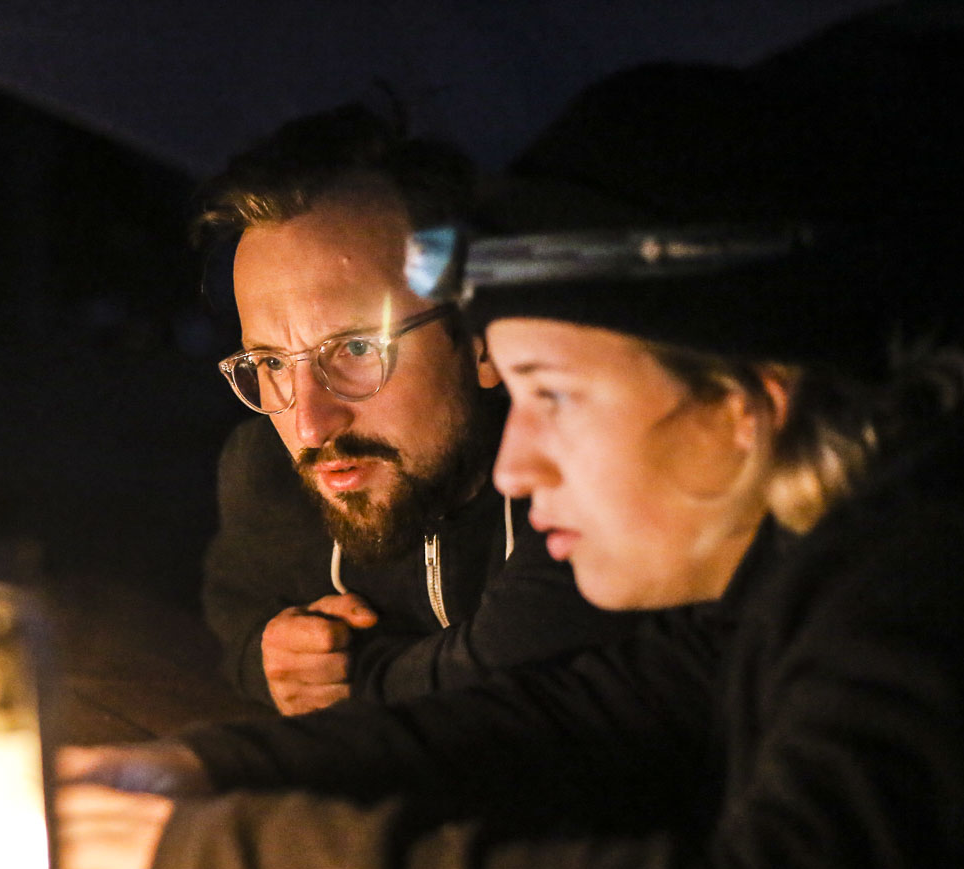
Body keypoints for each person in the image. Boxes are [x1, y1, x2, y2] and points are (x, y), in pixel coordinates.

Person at [55, 49, 964, 869]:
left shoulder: (946, 579)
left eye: (554, 396)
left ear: (743, 400)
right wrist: (199, 774)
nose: (515, 462)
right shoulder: (784, 586)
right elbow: (576, 723)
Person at [196, 106, 636, 714]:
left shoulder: (569, 472)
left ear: (481, 340)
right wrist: (269, 658)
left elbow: (513, 675)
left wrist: (356, 676)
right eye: (271, 362)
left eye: (356, 349)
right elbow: (240, 612)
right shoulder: (264, 472)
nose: (310, 425)